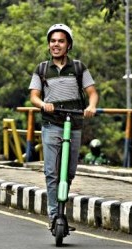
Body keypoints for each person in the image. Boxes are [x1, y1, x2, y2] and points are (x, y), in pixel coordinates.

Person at [28, 24, 99, 230]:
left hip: (74, 124)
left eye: (60, 41)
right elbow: (34, 96)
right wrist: (43, 105)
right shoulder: (42, 69)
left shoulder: (78, 68)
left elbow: (92, 92)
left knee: (68, 173)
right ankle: (54, 216)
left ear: (68, 45)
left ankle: (61, 208)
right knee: (52, 172)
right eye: (53, 41)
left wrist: (91, 106)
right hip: (51, 124)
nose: (56, 45)